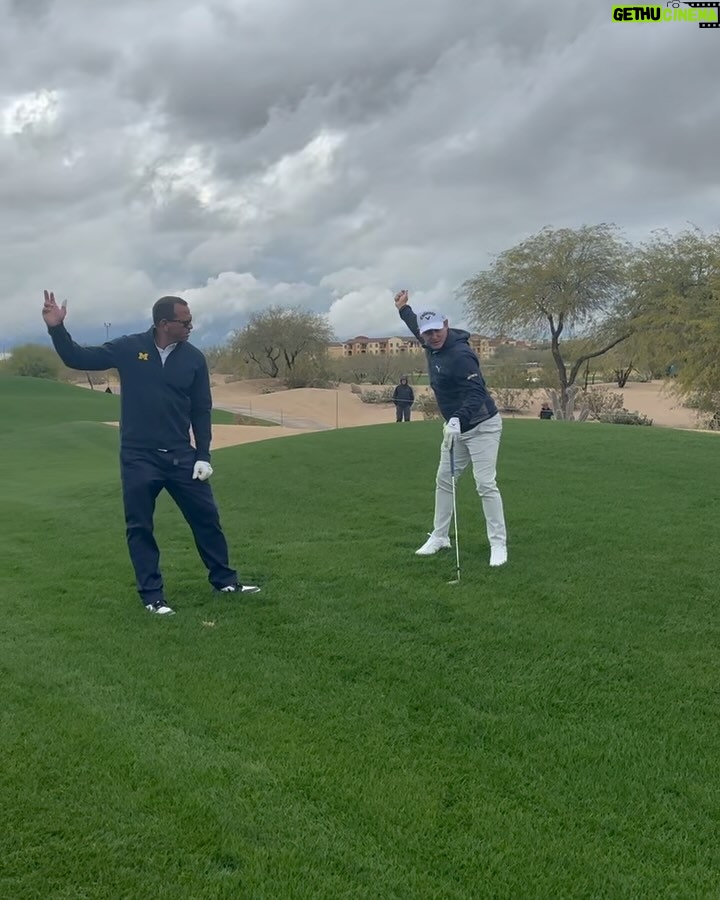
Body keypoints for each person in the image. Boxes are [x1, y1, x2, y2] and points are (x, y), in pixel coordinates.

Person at [42, 290, 260, 616]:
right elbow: (78, 358)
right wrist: (57, 329)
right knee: (140, 527)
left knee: (207, 519)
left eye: (191, 321)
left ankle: (225, 581)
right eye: (184, 322)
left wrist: (203, 454)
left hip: (180, 455)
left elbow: (201, 409)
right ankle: (152, 597)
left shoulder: (194, 359)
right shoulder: (129, 348)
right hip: (138, 456)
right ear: (163, 323)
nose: (191, 327)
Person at [394, 289, 507, 566]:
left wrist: (457, 418)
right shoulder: (429, 343)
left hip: (482, 427)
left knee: (485, 484)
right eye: (427, 333)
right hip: (455, 429)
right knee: (444, 480)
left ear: (446, 326)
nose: (433, 336)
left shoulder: (461, 354)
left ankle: (498, 544)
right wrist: (402, 309)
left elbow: (477, 392)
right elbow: (414, 323)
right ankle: (440, 536)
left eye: (436, 331)